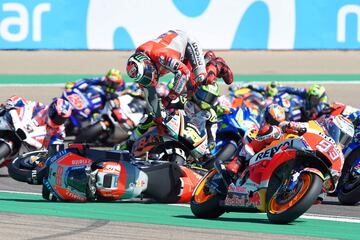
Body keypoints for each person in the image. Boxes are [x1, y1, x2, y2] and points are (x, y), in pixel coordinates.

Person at [126, 30, 234, 139]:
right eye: (144, 79)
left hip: (187, 43)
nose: (149, 79)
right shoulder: (142, 75)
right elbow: (152, 98)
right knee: (190, 91)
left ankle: (215, 64)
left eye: (148, 73)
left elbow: (184, 72)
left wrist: (169, 97)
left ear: (148, 63)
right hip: (176, 55)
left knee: (202, 78)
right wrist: (158, 120)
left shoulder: (161, 55)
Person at [217, 104, 306, 187]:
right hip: (264, 152)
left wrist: (299, 128)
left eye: (270, 119)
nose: (268, 121)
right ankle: (238, 162)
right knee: (251, 134)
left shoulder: (285, 126)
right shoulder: (269, 129)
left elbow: (293, 125)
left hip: (281, 152)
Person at [4, 96, 72, 150]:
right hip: (15, 125)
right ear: (51, 109)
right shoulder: (40, 106)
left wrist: (43, 148)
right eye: (56, 116)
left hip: (29, 146)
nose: (57, 120)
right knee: (3, 111)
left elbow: (53, 150)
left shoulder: (60, 132)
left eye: (61, 119)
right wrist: (13, 104)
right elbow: (21, 101)